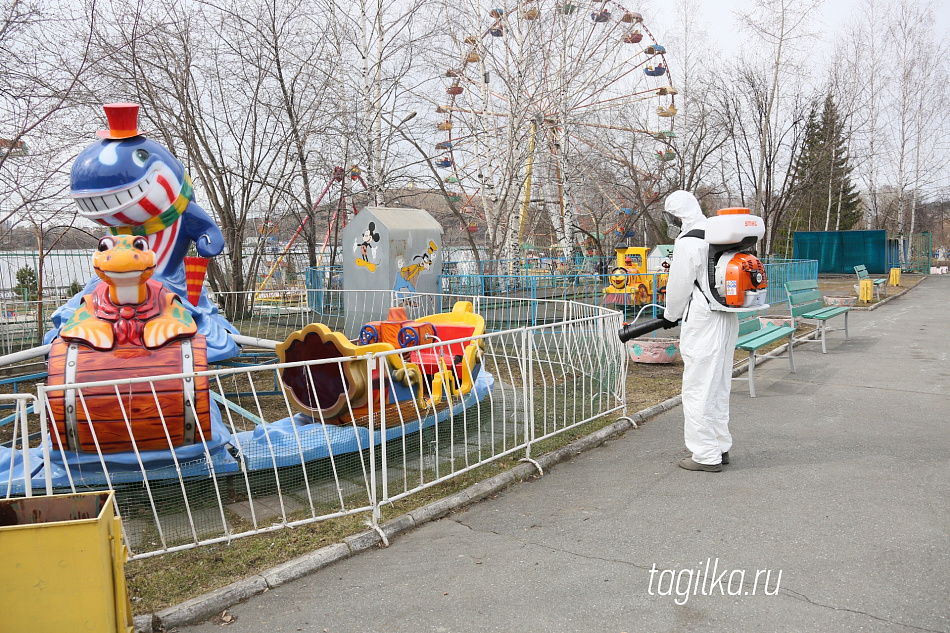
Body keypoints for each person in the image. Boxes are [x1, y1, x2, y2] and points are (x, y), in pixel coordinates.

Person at [662, 190, 740, 473]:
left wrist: (670, 315)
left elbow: (679, 287)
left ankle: (705, 455)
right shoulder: (718, 232)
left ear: (676, 216)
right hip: (727, 317)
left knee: (697, 388)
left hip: (704, 320)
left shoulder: (688, 242)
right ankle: (720, 446)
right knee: (718, 385)